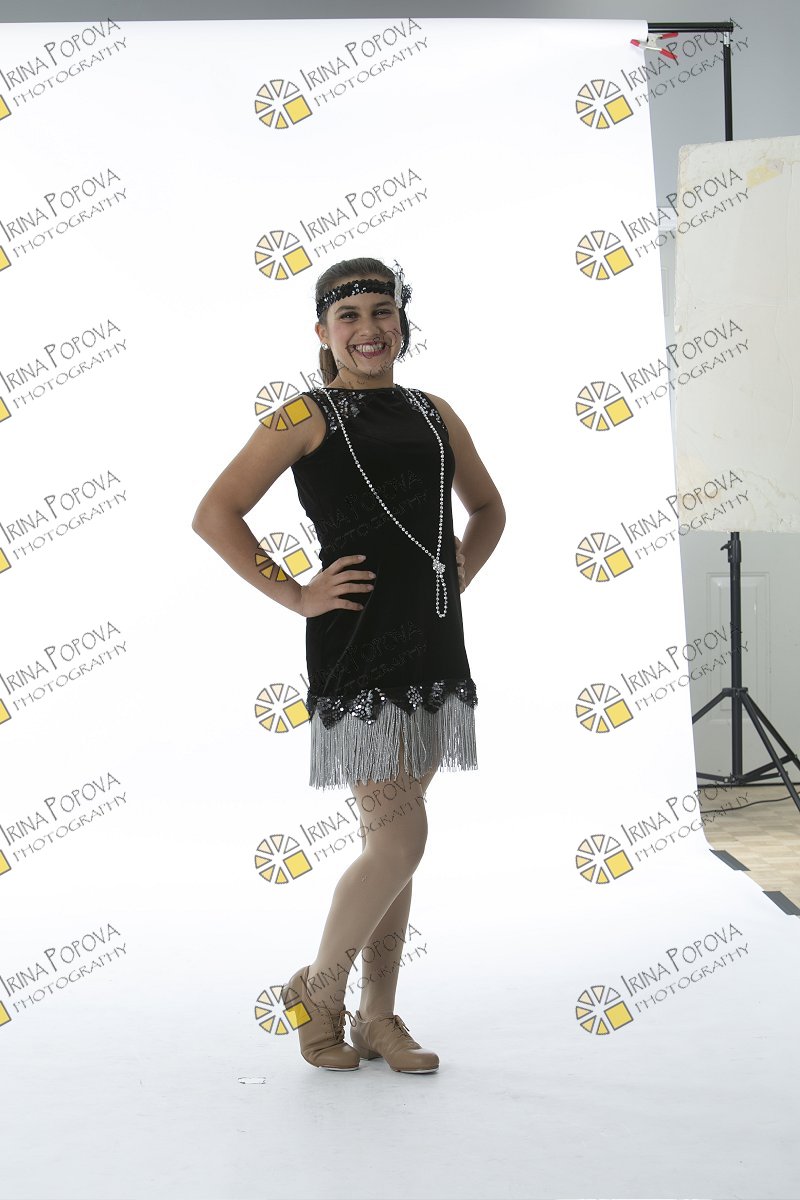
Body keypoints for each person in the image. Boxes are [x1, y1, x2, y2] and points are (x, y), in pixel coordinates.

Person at [192, 256, 505, 1074]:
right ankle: (319, 992)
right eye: (350, 316)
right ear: (324, 331)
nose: (370, 329)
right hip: (358, 645)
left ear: (402, 320)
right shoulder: (303, 414)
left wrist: (458, 570)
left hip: (434, 642)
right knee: (401, 840)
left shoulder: (434, 411)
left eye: (382, 311)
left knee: (391, 844)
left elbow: (488, 509)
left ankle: (378, 1015)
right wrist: (296, 593)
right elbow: (215, 512)